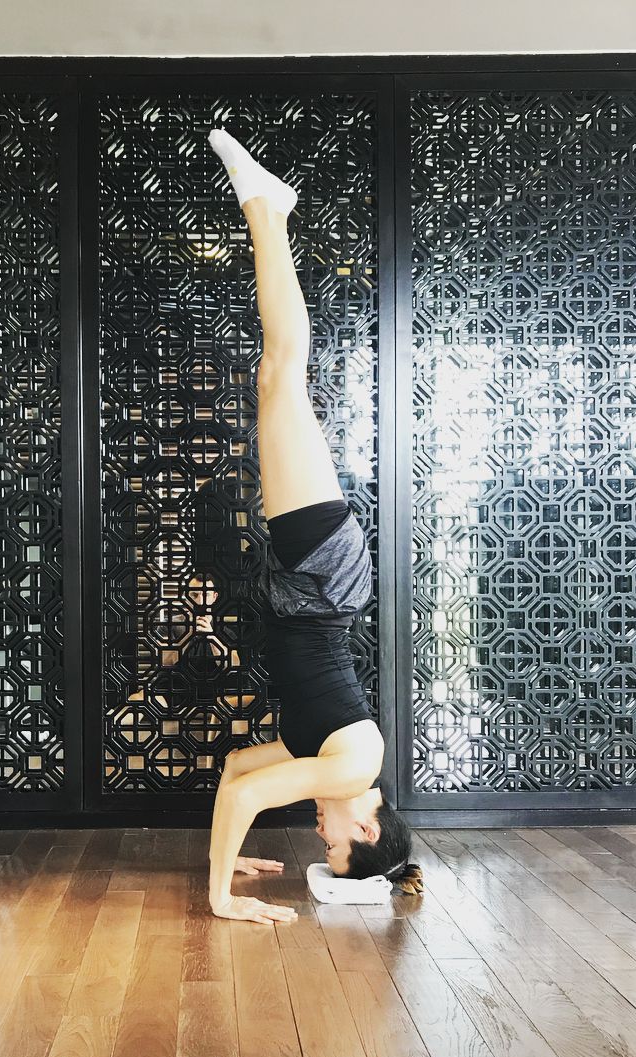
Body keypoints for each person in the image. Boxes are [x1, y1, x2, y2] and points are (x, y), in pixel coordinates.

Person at [204, 128, 423, 924]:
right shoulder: (349, 769)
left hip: (312, 579)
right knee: (280, 376)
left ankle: (269, 209)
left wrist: (235, 857)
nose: (321, 838)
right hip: (322, 575)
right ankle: (267, 208)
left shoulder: (329, 762)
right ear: (365, 824)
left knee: (276, 380)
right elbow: (258, 794)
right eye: (335, 845)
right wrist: (218, 896)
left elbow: (237, 772)